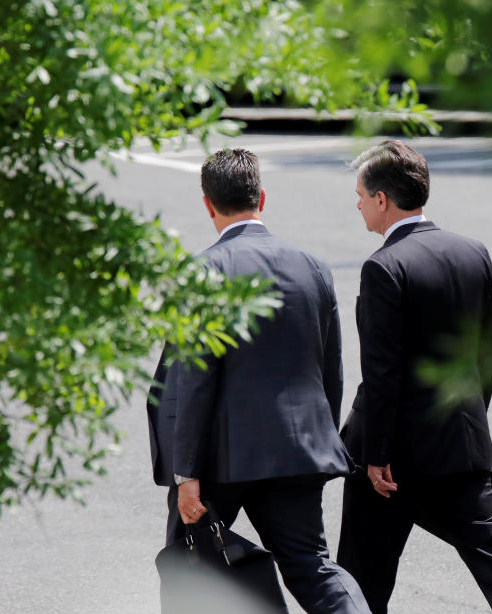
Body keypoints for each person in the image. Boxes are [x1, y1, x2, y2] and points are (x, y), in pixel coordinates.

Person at [146, 149, 370, 614]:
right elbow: (330, 368)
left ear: (208, 204)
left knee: (192, 571)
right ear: (261, 197)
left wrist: (185, 473)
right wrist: (318, 440)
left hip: (218, 461)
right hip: (298, 451)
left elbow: (193, 382)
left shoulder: (203, 273)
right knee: (313, 566)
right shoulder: (313, 267)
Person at [336, 140, 492, 614]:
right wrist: (467, 419)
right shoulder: (473, 252)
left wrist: (377, 454)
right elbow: (487, 352)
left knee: (362, 577)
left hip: (391, 464)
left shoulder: (384, 268)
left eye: (360, 195)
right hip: (459, 443)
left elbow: (383, 373)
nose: (357, 204)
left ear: (382, 200)